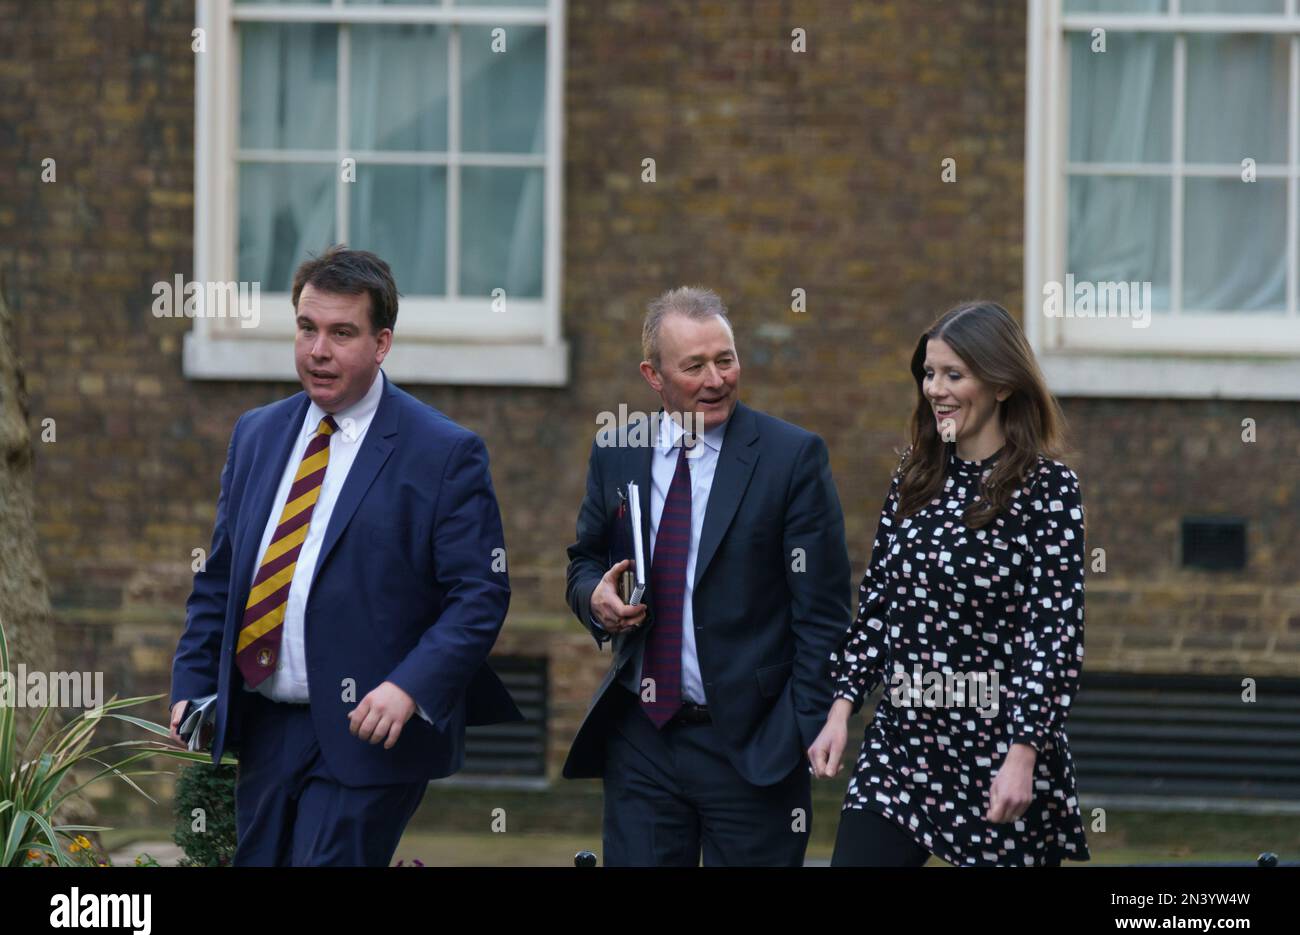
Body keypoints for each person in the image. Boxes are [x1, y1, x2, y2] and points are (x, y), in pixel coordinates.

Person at [168, 245, 520, 866]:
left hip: (367, 732)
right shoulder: (257, 434)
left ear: (382, 343)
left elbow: (480, 594)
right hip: (265, 723)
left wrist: (408, 687)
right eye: (307, 328)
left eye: (341, 333)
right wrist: (193, 683)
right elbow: (223, 575)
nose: (318, 351)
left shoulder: (443, 453)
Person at [562, 286, 852, 866]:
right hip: (641, 738)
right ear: (654, 375)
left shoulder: (791, 458)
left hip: (752, 746)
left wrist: (802, 725)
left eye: (726, 359)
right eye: (694, 366)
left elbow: (823, 612)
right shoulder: (619, 450)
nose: (716, 379)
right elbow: (585, 559)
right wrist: (595, 598)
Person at [810, 300, 1091, 867]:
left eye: (953, 375)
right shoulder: (915, 477)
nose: (935, 388)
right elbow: (879, 608)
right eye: (929, 373)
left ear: (1002, 385)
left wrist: (1024, 752)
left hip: (998, 752)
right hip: (902, 749)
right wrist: (841, 708)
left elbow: (1054, 635)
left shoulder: (1048, 492)